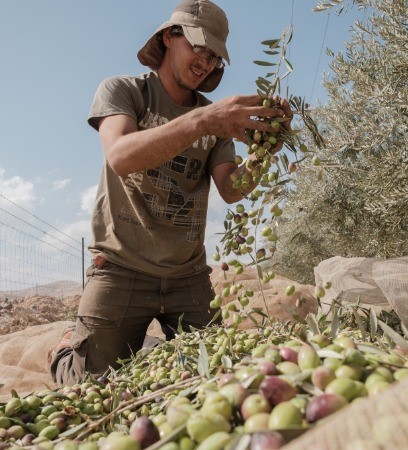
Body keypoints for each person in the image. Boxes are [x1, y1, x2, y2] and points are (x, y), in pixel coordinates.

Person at [50, 0, 291, 386]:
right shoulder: (126, 91)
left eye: (214, 56)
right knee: (88, 385)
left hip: (187, 275)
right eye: (198, 46)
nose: (206, 61)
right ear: (169, 36)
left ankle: (143, 345)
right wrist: (204, 121)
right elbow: (121, 156)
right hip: (121, 268)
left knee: (221, 377)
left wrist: (263, 152)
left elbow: (232, 189)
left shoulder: (216, 120)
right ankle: (67, 347)